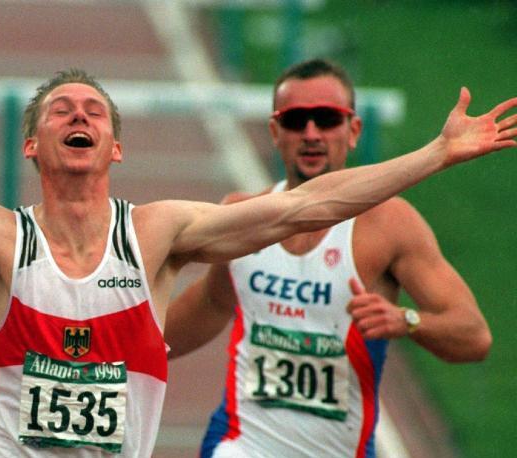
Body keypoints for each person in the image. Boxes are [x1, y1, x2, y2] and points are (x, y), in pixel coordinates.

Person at [0, 22, 515, 457]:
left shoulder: (161, 234)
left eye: (95, 111)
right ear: (31, 146)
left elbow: (304, 210)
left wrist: (434, 155)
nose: (78, 115)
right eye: (61, 109)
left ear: (117, 149)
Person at [163, 58, 496, 458]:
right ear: (275, 131)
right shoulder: (240, 215)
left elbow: (474, 337)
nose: (311, 133)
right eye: (295, 120)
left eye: (326, 119)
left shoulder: (390, 224)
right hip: (241, 443)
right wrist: (110, 354)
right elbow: (208, 306)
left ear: (353, 131)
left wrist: (407, 321)